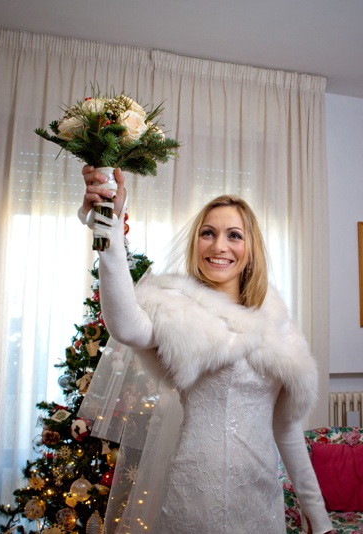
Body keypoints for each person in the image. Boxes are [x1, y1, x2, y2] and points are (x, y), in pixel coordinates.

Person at [78, 166, 334, 534]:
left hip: (260, 500)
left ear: (250, 249)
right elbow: (125, 326)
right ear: (196, 242)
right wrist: (110, 231)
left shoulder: (281, 329)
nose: (219, 246)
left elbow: (288, 431)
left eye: (234, 235)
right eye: (208, 233)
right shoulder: (177, 310)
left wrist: (318, 515)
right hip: (192, 497)